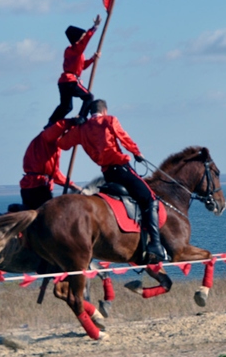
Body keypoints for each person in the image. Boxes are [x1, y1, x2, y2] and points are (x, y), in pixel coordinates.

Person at [57, 99, 167, 264]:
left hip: (108, 174)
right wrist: (136, 152)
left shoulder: (81, 129)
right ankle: (156, 245)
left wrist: (75, 124)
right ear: (105, 111)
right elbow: (123, 137)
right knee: (150, 199)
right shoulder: (109, 120)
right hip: (122, 169)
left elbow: (62, 144)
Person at [47, 15, 101, 126]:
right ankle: (81, 117)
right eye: (82, 36)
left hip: (63, 82)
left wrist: (92, 59)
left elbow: (82, 67)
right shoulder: (76, 49)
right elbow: (85, 41)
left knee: (66, 107)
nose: (84, 37)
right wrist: (94, 28)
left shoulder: (72, 51)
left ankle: (52, 122)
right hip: (70, 81)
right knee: (89, 97)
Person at [18, 119, 80, 210]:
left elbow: (54, 173)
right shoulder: (46, 138)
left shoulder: (46, 143)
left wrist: (72, 185)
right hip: (38, 187)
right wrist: (72, 121)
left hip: (32, 186)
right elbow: (58, 128)